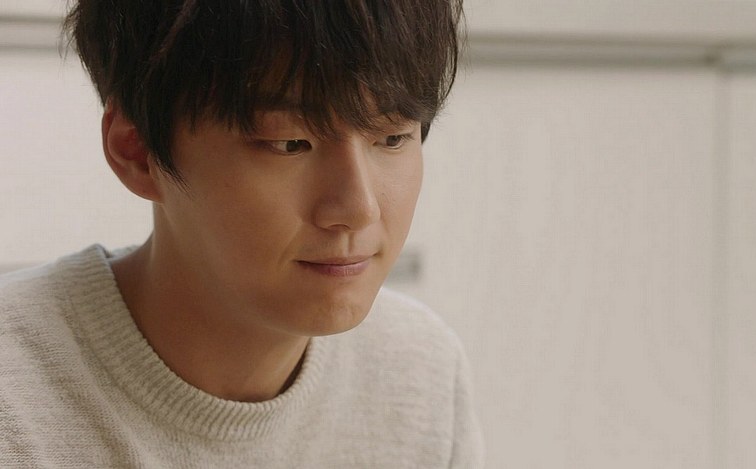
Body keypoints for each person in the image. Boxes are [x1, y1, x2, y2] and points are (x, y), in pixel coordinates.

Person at [0, 0, 483, 467]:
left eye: (392, 138)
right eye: (290, 144)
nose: (359, 209)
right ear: (138, 151)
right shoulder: (16, 397)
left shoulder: (418, 371)